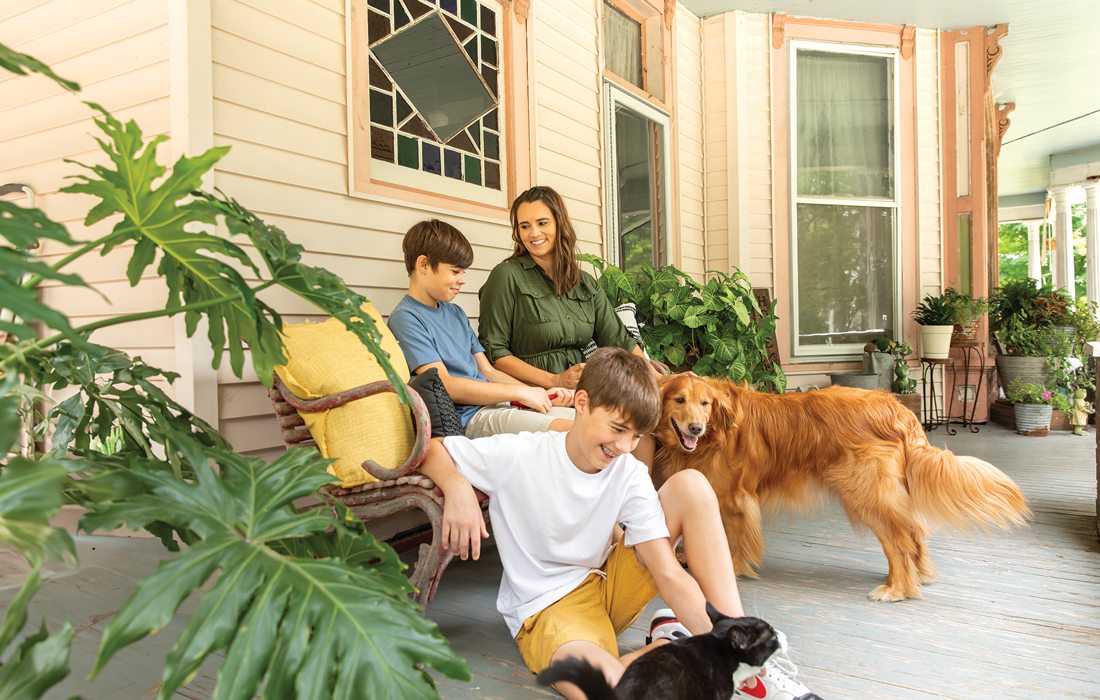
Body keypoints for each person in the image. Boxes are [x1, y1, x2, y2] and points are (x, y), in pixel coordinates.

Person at [419, 347, 822, 700]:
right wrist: (457, 489)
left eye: (636, 436)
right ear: (581, 403)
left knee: (691, 486)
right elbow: (435, 449)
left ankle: (741, 648)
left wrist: (735, 643)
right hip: (549, 610)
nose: (624, 447)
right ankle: (675, 641)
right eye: (616, 429)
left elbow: (666, 571)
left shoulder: (627, 471)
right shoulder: (521, 453)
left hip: (610, 585)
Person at [387, 220, 575, 439]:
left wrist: (540, 394)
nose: (462, 280)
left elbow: (488, 371)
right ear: (424, 264)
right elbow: (446, 385)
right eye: (455, 271)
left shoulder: (455, 313)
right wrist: (521, 392)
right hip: (471, 418)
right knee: (572, 430)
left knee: (585, 418)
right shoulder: (406, 318)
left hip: (500, 406)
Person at [478, 185, 655, 390]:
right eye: (524, 226)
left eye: (542, 223)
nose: (533, 233)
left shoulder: (586, 284)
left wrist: (658, 380)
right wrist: (554, 381)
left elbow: (619, 340)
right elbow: (494, 353)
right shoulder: (506, 276)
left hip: (584, 392)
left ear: (559, 224)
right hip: (533, 395)